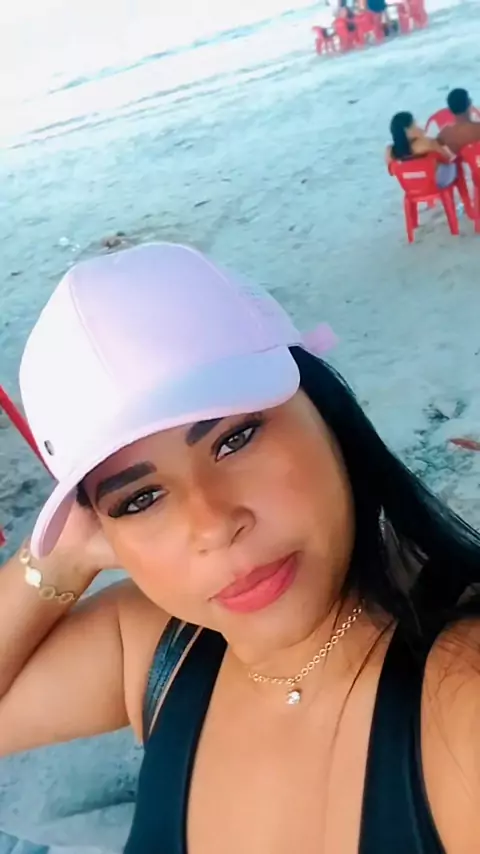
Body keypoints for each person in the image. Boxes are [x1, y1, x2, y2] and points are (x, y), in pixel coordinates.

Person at [0, 242, 479, 854]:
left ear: (326, 411)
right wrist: (57, 561)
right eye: (140, 499)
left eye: (235, 439)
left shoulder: (461, 696)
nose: (212, 525)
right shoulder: (158, 649)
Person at [387, 111, 457, 188]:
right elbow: (446, 157)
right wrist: (421, 135)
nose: (418, 127)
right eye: (414, 125)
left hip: (411, 185)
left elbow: (392, 172)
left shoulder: (390, 151)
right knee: (455, 162)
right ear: (407, 130)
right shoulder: (426, 143)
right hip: (435, 183)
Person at [437, 88, 480, 155]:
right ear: (469, 103)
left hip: (460, 160)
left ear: (450, 110)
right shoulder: (477, 129)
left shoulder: (444, 134)